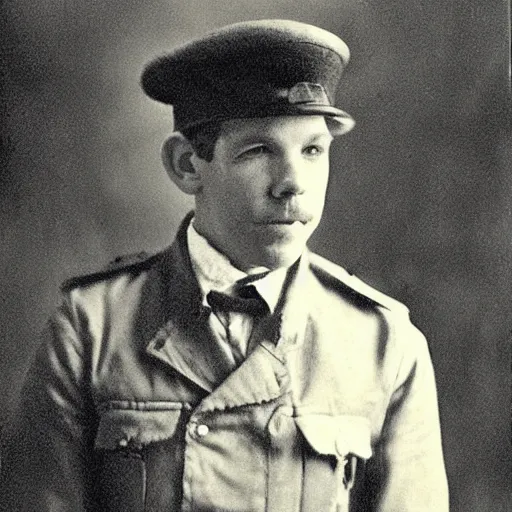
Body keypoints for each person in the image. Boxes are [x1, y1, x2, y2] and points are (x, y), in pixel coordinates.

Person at [0, 19, 449, 512]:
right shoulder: (92, 327)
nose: (291, 184)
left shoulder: (383, 341)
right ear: (187, 165)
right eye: (258, 150)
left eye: (313, 150)